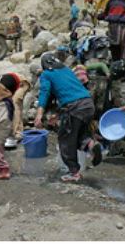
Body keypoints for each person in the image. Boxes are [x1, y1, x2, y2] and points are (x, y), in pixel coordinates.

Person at [34, 53, 102, 182]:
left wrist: (39, 114)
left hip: (75, 108)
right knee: (78, 134)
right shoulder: (67, 70)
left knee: (65, 139)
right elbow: (70, 94)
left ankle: (74, 172)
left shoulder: (47, 74)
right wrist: (58, 115)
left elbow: (44, 92)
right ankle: (91, 143)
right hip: (88, 104)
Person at [12, 74, 32, 141]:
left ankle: (18, 132)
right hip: (17, 83)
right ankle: (17, 129)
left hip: (23, 83)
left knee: (16, 105)